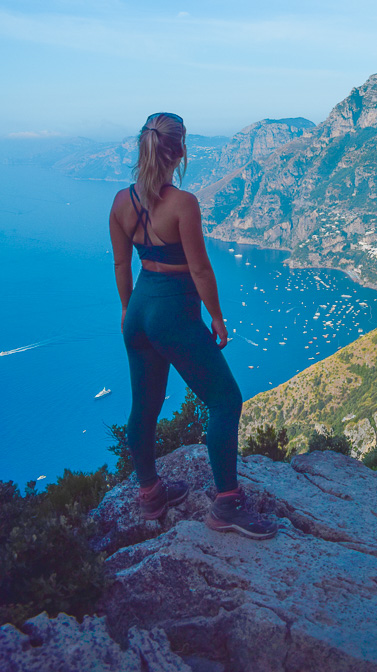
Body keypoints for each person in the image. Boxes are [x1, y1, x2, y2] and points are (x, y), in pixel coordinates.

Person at [109, 111, 277, 539]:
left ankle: (150, 492)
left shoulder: (120, 203)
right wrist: (217, 318)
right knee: (225, 400)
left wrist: (131, 314)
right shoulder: (183, 204)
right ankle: (227, 503)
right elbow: (200, 271)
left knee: (145, 406)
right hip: (173, 312)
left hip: (139, 309)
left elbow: (121, 266)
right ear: (179, 151)